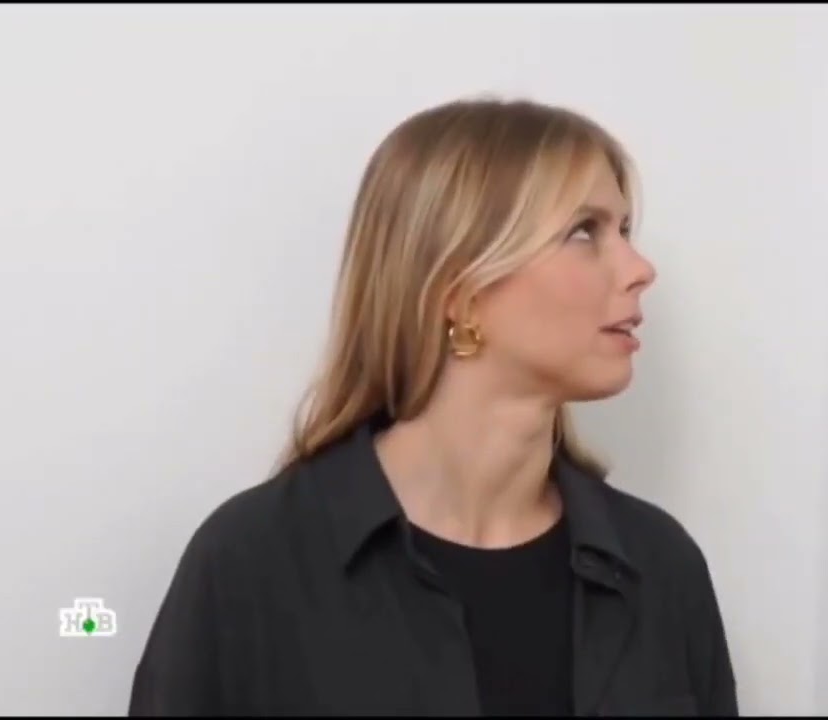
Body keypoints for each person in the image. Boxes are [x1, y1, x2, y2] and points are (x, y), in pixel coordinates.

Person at [128, 97, 738, 717]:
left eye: (625, 231)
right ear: (460, 290)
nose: (639, 269)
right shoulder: (250, 566)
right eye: (585, 231)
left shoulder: (660, 568)